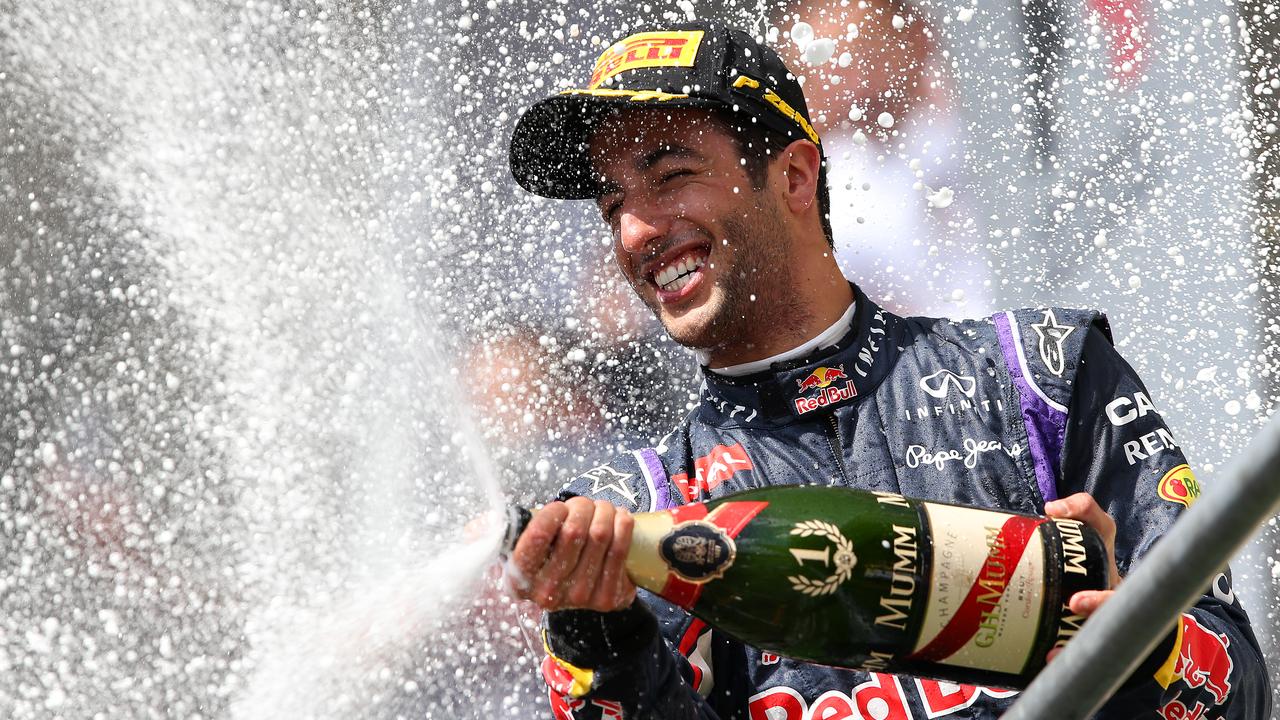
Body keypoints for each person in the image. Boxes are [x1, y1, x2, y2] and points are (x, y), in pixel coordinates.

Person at [504, 19, 1270, 719]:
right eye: (613, 206)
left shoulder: (1045, 375)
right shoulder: (637, 508)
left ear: (796, 177)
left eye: (670, 175)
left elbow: (1241, 691)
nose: (636, 230)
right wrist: (603, 642)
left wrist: (1145, 648)